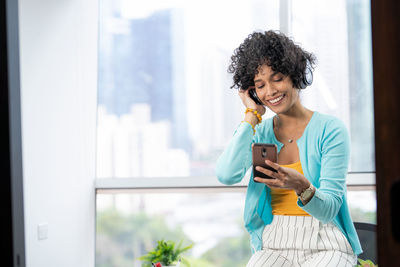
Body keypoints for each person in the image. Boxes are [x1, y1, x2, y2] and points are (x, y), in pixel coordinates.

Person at [215, 31, 362, 266]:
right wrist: (251, 116)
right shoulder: (260, 132)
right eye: (260, 85)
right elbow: (226, 174)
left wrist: (300, 184)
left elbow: (329, 210)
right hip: (275, 242)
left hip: (327, 241)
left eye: (277, 78)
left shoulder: (330, 129)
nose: (270, 91)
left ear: (294, 75)